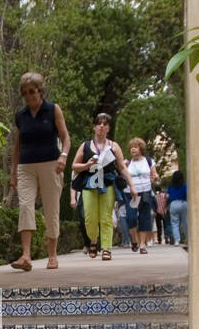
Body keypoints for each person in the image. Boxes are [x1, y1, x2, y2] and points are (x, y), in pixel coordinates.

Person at [9, 72, 70, 272]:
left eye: (32, 92)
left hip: (50, 163)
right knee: (25, 206)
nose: (29, 96)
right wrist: (13, 172)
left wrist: (63, 156)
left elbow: (65, 137)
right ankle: (26, 256)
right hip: (26, 166)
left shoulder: (53, 110)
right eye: (25, 93)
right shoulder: (21, 115)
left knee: (51, 209)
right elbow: (18, 145)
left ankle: (52, 256)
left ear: (40, 91)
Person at [71, 112, 136, 262]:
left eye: (105, 124)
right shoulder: (85, 146)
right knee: (89, 218)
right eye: (99, 123)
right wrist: (87, 165)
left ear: (108, 128)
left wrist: (132, 185)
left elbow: (122, 167)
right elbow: (74, 166)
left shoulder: (114, 146)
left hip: (107, 184)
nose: (101, 126)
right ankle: (93, 240)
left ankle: (106, 248)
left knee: (106, 217)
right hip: (89, 184)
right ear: (94, 127)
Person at [125, 138, 159, 255]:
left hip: (145, 192)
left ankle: (142, 245)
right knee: (131, 218)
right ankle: (134, 240)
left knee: (145, 218)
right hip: (131, 193)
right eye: (131, 147)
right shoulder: (127, 163)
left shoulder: (149, 161)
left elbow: (154, 173)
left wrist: (155, 176)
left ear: (141, 149)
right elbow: (122, 175)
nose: (133, 149)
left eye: (136, 147)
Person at [168, 169, 188, 247]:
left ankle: (177, 240)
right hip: (183, 203)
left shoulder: (170, 187)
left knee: (174, 223)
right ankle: (187, 239)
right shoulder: (184, 186)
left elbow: (168, 195)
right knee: (185, 222)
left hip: (173, 204)